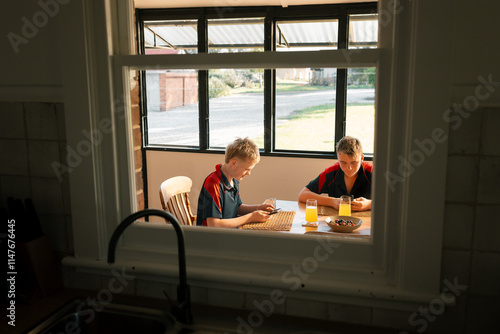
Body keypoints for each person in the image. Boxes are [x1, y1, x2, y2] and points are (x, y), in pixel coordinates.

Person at [197, 137, 274, 228]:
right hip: (213, 239)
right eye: (247, 169)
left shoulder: (233, 180)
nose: (249, 173)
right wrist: (251, 217)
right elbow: (214, 225)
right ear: (234, 163)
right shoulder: (213, 183)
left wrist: (258, 208)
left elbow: (237, 208)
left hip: (230, 233)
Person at [298, 136, 372, 211]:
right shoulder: (331, 173)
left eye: (353, 162)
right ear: (338, 158)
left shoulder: (372, 173)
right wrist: (332, 202)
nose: (349, 168)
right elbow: (303, 195)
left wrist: (369, 204)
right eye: (343, 162)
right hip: (336, 221)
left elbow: (384, 199)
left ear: (362, 158)